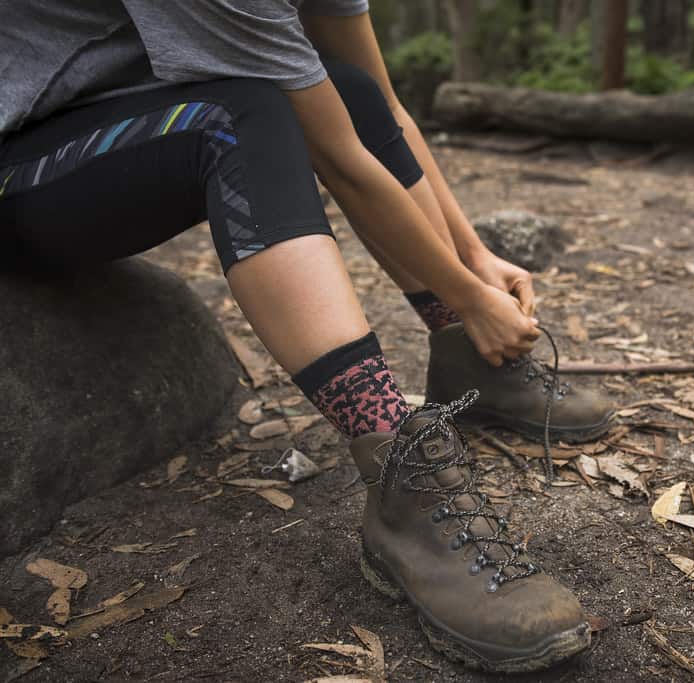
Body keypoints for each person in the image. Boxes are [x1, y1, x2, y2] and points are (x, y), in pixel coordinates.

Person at [0, 0, 614, 672]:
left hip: (107, 116)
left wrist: (475, 257)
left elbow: (381, 104)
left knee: (344, 88)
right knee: (244, 116)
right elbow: (343, 160)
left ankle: (470, 357)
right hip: (21, 157)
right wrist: (472, 298)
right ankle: (396, 465)